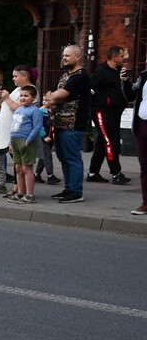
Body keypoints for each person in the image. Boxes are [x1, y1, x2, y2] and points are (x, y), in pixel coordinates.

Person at [45, 44, 91, 203]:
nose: (63, 58)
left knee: (72, 158)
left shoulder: (80, 76)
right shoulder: (65, 76)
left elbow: (59, 95)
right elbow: (49, 95)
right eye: (63, 55)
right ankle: (69, 188)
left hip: (73, 124)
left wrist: (56, 97)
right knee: (63, 157)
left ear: (78, 57)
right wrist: (55, 97)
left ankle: (76, 191)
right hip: (59, 124)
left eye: (67, 55)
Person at [87, 45, 134, 185]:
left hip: (114, 112)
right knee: (110, 141)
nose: (123, 59)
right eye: (121, 56)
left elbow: (126, 93)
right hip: (102, 112)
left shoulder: (117, 72)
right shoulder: (101, 72)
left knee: (103, 141)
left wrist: (125, 81)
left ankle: (93, 172)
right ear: (114, 57)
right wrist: (90, 110)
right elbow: (89, 91)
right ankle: (116, 173)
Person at [6, 85, 44, 204]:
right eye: (21, 95)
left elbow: (37, 127)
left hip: (27, 142)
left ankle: (29, 194)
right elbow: (13, 127)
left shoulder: (35, 110)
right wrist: (10, 143)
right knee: (18, 168)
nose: (22, 98)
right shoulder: (18, 109)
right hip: (15, 141)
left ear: (33, 98)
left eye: (26, 96)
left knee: (27, 168)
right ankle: (20, 192)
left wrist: (29, 140)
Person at [132, 52, 147, 216]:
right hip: (142, 124)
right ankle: (145, 202)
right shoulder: (144, 77)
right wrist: (125, 82)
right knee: (144, 166)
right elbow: (130, 94)